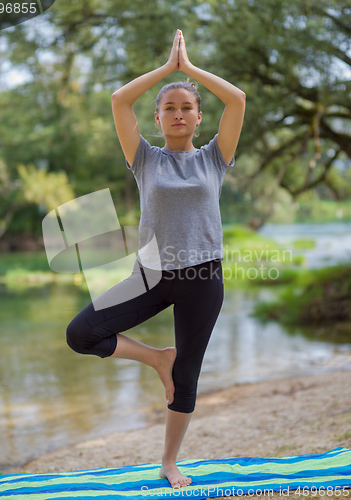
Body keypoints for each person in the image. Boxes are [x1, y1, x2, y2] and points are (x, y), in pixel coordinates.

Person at [66, 29, 245, 489]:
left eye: (187, 107)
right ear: (158, 117)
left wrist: (191, 70)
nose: (179, 113)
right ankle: (155, 359)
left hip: (203, 276)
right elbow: (119, 101)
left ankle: (169, 462)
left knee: (187, 377)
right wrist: (169, 69)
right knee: (82, 333)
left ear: (199, 117)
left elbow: (239, 100)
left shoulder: (214, 160)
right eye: (170, 107)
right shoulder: (144, 158)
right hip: (149, 275)